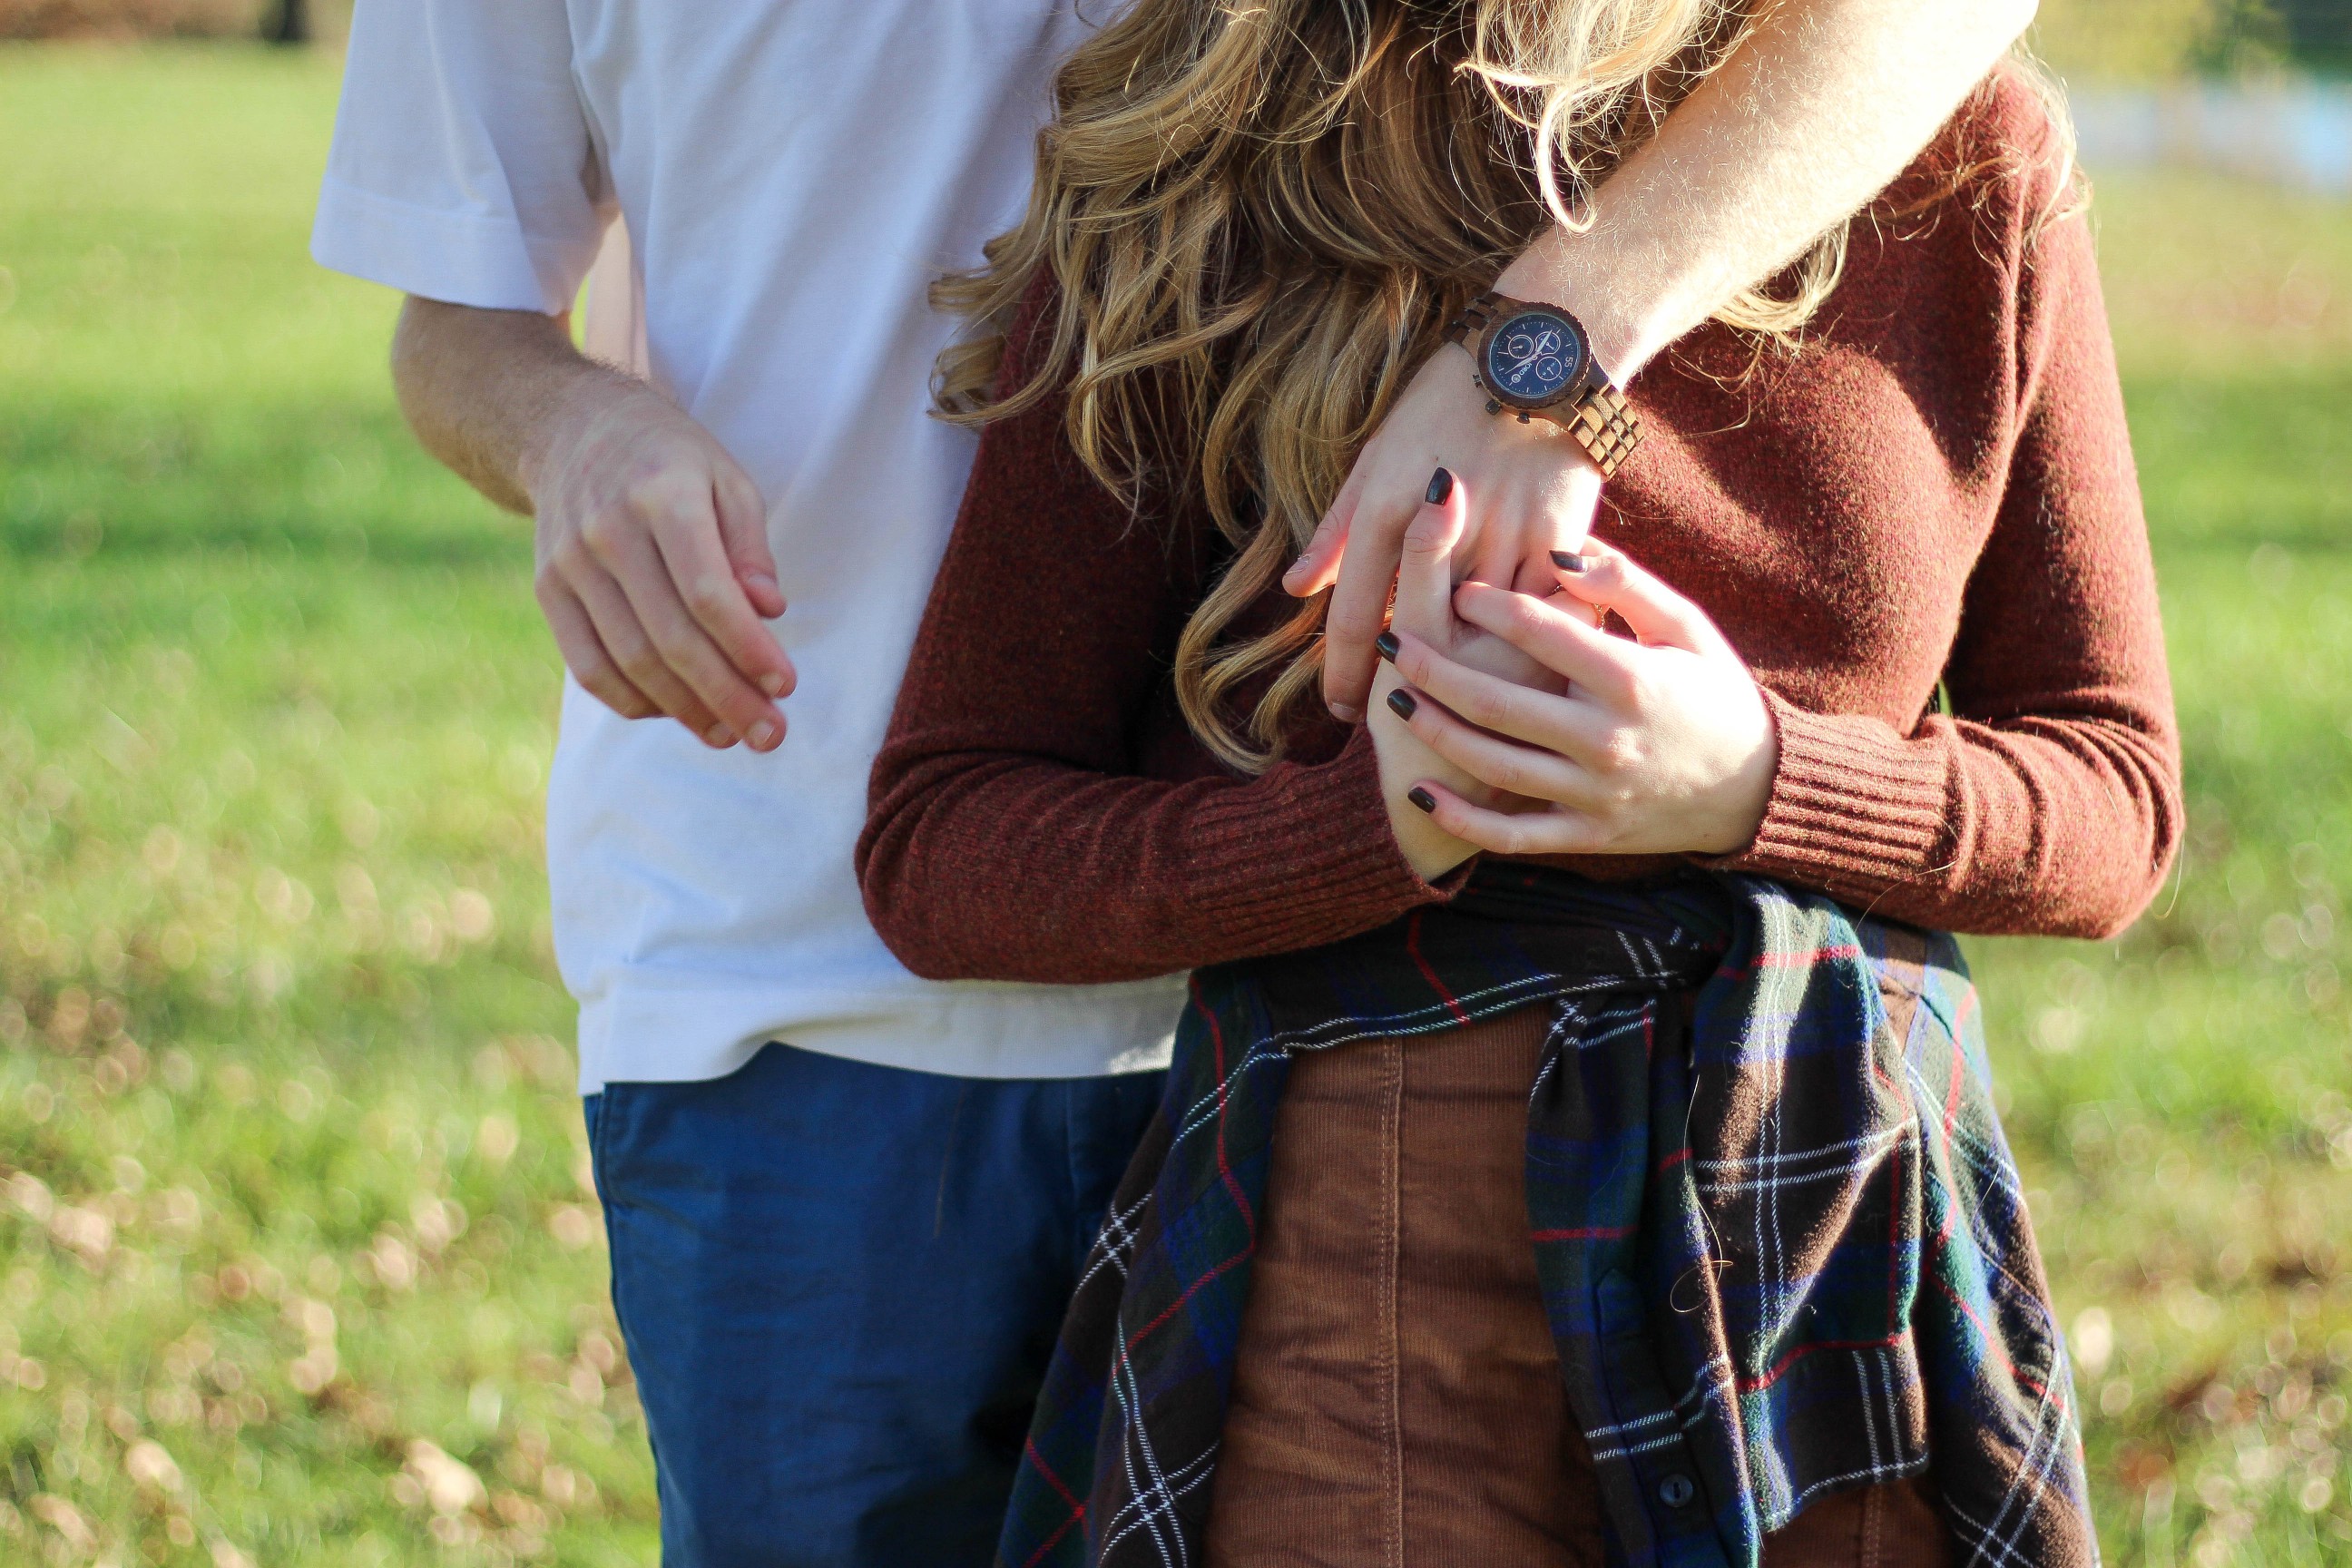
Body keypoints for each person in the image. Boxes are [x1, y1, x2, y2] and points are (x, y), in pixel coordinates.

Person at [311, 0, 2038, 1561]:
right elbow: (456, 317)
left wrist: (1544, 361)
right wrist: (573, 431)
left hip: (1331, 1038)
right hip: (812, 978)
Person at [858, 2, 2180, 1563]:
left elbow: (2118, 795)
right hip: (1373, 1217)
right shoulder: (1199, 159)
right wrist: (1362, 831)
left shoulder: (1955, 143)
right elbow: (942, 837)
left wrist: (1765, 780)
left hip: (1830, 1206)